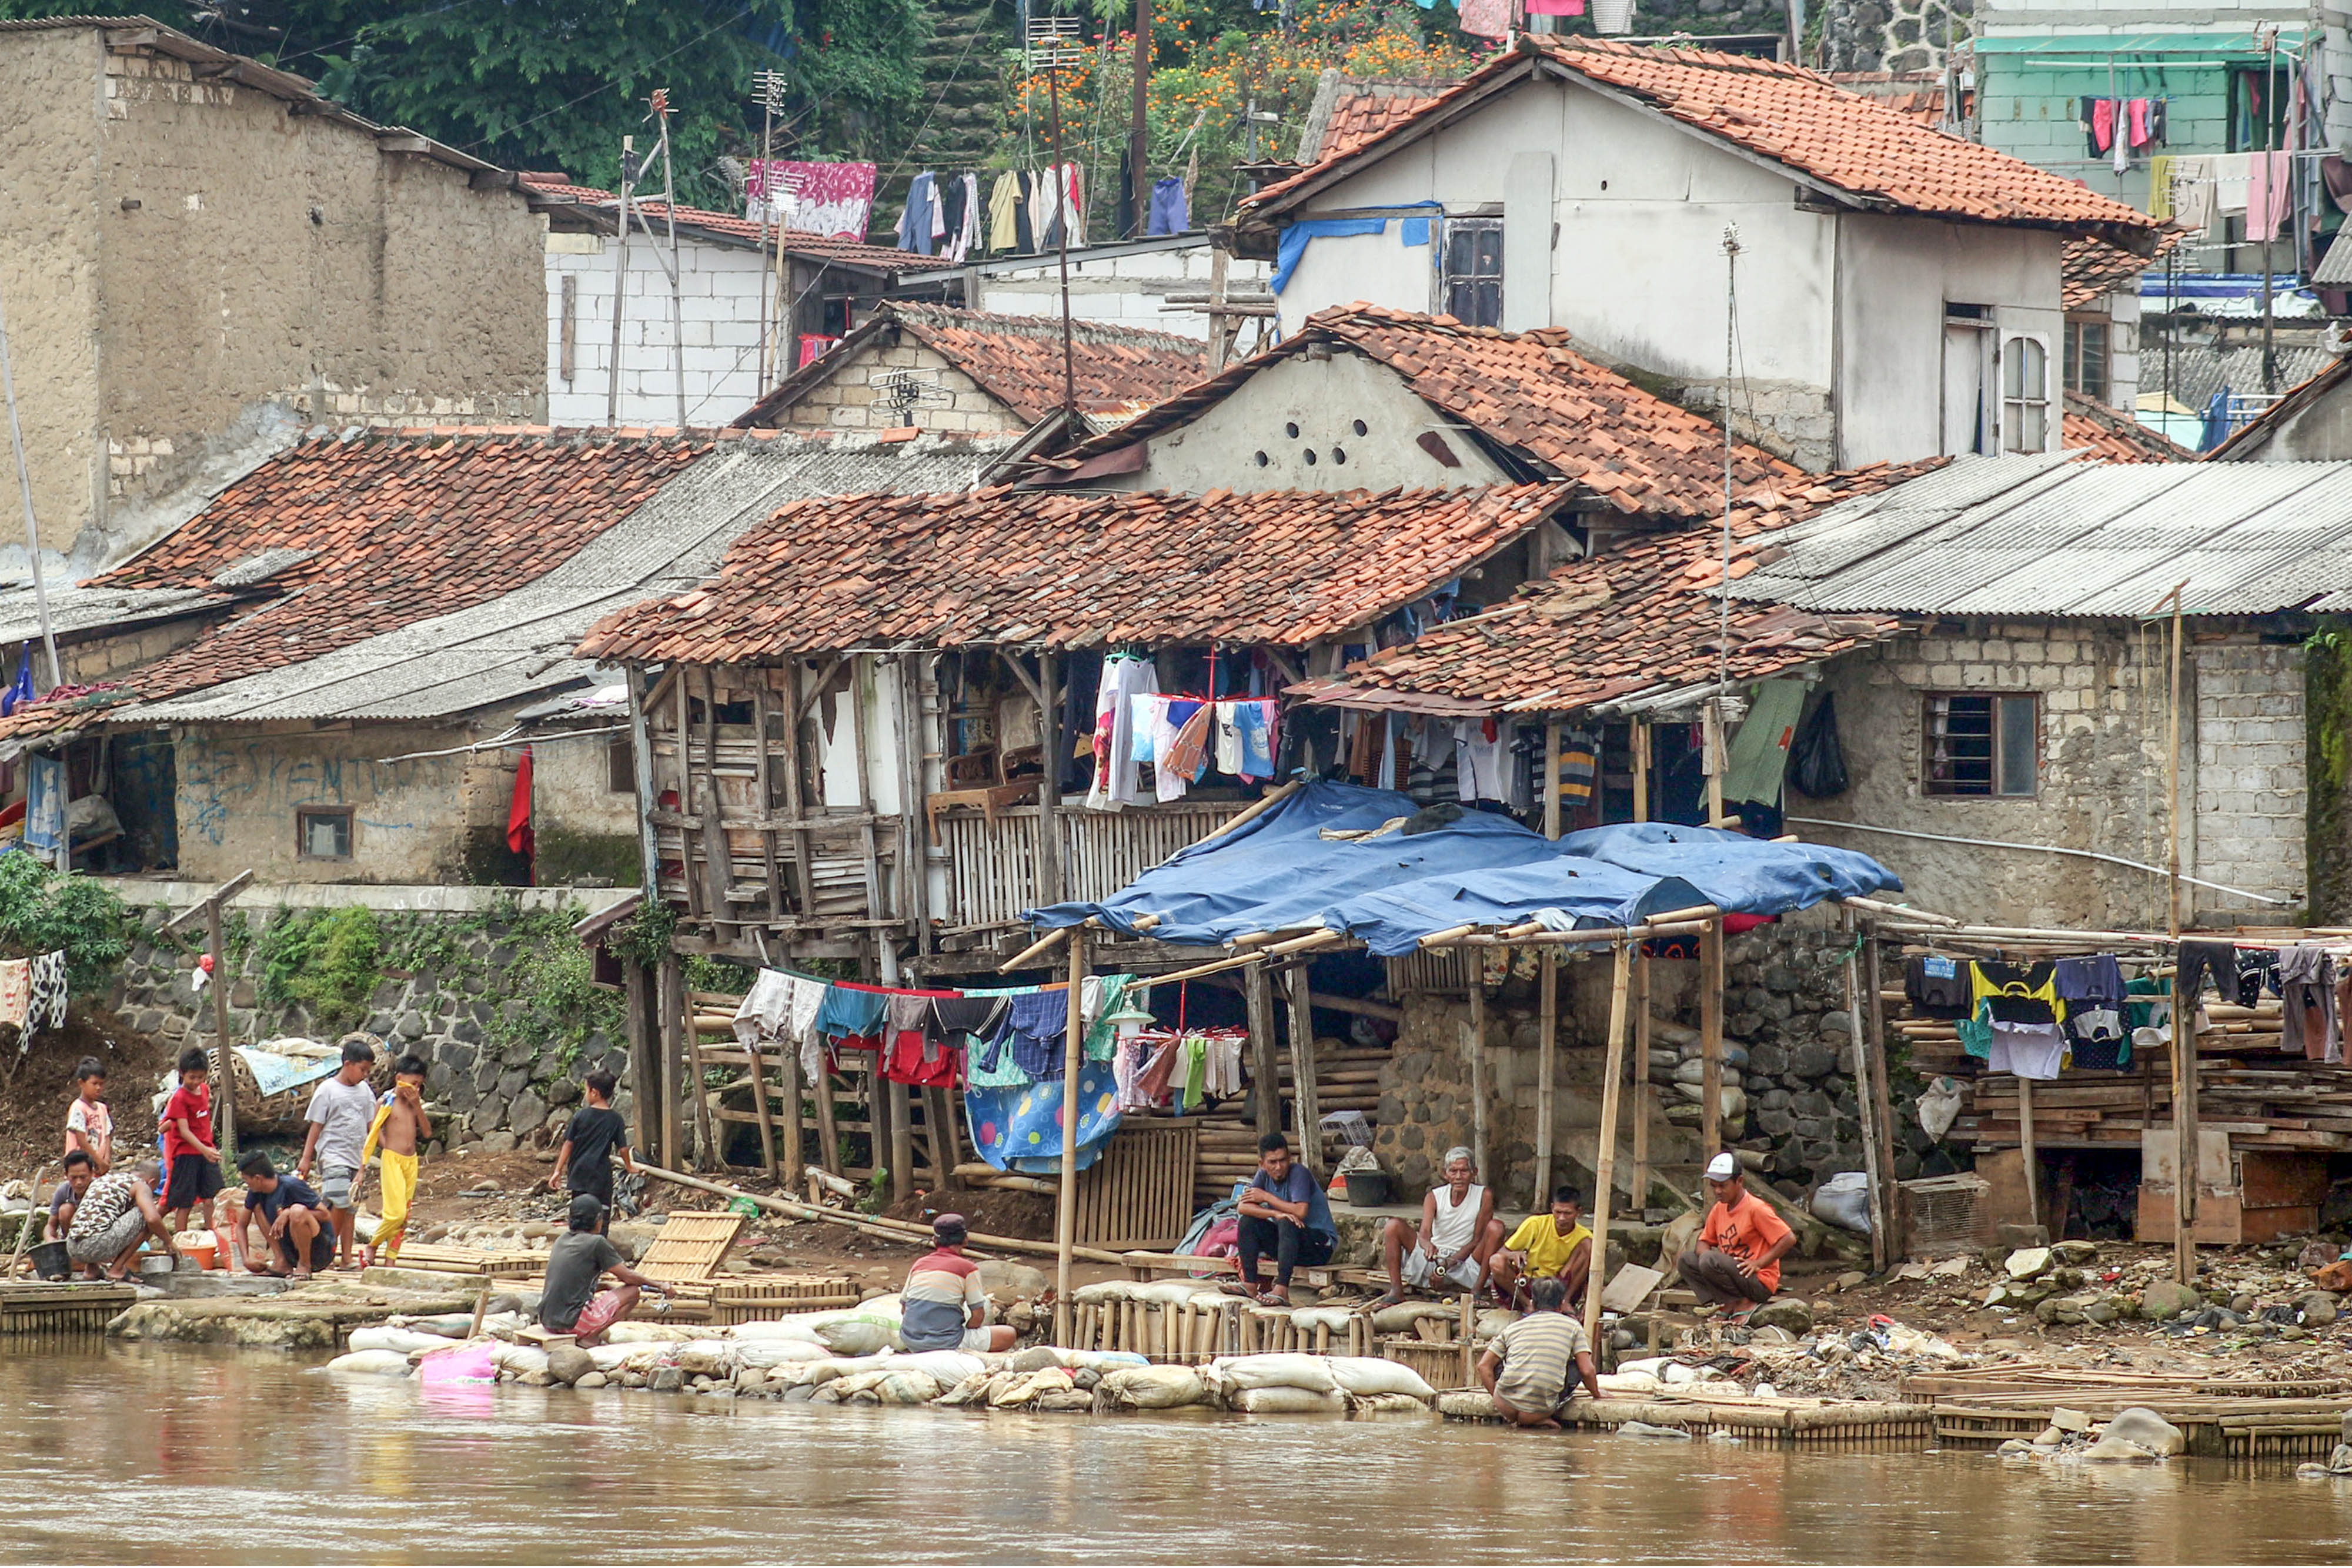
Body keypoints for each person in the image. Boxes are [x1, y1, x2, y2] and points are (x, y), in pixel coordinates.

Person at [1374, 1146, 1503, 1306]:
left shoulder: (1484, 1195)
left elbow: (1477, 1240)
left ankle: (1476, 1292)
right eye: (1453, 1171)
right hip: (1434, 1258)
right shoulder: (1434, 1196)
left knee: (1496, 1227)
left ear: (1474, 1173)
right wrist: (1428, 1245)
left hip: (1465, 1261)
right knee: (1393, 1226)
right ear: (1445, 1174)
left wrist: (1447, 1263)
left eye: (1464, 1171)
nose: (1458, 1177)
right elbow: (1425, 1233)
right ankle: (1396, 1290)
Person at [1224, 1133, 1337, 1306]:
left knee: (1288, 1222)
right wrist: (1275, 1214)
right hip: (1289, 1246)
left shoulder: (1299, 1173)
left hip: (1319, 1247)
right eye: (1272, 1162)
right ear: (1262, 1164)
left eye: (1283, 1160)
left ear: (1290, 1159)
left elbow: (1301, 1211)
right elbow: (1243, 1207)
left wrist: (1268, 1199)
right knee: (1248, 1222)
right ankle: (1250, 1284)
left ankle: (1282, 1289)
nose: (1279, 1167)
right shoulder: (1262, 1176)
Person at [1476, 1276, 1603, 1429]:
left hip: (1505, 1406)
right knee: (1576, 1366)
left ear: (1532, 1303)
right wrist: (1597, 1394)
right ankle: (1534, 1419)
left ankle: (1520, 1417)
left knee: (1499, 1362)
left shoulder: (1514, 1328)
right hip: (1540, 1410)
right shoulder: (1573, 1327)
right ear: (1562, 1305)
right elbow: (1587, 1370)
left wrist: (1497, 1398)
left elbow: (1483, 1366)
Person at [1675, 1153, 1796, 1311]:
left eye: (1723, 1186)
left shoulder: (1756, 1208)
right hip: (1733, 1275)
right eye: (1714, 1186)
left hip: (1757, 1281)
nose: (1717, 1191)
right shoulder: (1719, 1208)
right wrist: (1705, 1256)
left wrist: (1759, 1263)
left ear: (1739, 1181)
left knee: (1709, 1260)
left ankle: (1738, 1304)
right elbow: (1703, 1241)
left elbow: (1789, 1238)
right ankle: (1721, 1303)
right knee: (1686, 1260)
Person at [297, 1039, 377, 1270]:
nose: (364, 1075)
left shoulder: (365, 1092)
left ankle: (347, 1258)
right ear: (348, 1063)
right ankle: (325, 1253)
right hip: (333, 1155)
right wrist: (307, 1157)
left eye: (367, 1071)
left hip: (356, 1157)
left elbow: (371, 1125)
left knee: (350, 1209)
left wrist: (367, 1161)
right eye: (362, 1070)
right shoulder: (328, 1090)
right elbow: (316, 1127)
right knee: (339, 1202)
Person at [538, 1193, 660, 1345]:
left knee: (607, 1291)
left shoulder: (562, 1239)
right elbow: (628, 1277)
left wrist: (604, 1286)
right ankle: (590, 1337)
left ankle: (587, 1331)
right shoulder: (596, 1243)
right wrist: (661, 1286)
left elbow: (571, 1281)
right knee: (632, 1292)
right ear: (597, 1221)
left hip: (547, 1320)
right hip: (571, 1324)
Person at [900, 1213, 1017, 1352]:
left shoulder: (919, 1264)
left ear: (934, 1240)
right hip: (947, 1342)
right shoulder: (968, 1269)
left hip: (910, 1340)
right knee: (1009, 1334)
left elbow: (904, 1309)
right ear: (965, 1240)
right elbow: (978, 1315)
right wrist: (967, 1332)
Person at [356, 1055, 430, 1267]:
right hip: (392, 1160)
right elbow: (374, 1129)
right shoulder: (386, 1101)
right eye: (413, 1083)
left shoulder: (414, 1102)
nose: (416, 1088)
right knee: (395, 1214)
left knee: (404, 1216)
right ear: (399, 1078)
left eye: (419, 1085)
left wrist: (417, 1105)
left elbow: (426, 1132)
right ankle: (373, 1244)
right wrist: (386, 1145)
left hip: (411, 1161)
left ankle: (391, 1260)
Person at [547, 1069, 633, 1231]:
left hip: (580, 1173)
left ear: (595, 1092)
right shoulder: (616, 1119)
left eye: (586, 1090)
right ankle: (599, 1243)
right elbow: (623, 1149)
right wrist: (629, 1167)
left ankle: (578, 1243)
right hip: (601, 1175)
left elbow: (568, 1144)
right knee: (602, 1213)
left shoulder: (581, 1116)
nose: (586, 1095)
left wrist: (558, 1170)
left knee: (580, 1213)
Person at [64, 1159, 178, 1281]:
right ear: (152, 1182)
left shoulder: (104, 1180)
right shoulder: (141, 1185)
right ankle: (117, 1269)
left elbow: (78, 1220)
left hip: (72, 1247)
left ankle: (92, 1269)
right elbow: (152, 1219)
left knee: (103, 1217)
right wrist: (168, 1241)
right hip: (95, 1245)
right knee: (145, 1213)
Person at [159, 1047, 225, 1256]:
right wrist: (205, 1149)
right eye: (191, 1077)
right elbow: (184, 1131)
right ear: (182, 1073)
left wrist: (208, 1149)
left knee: (211, 1197)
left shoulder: (204, 1090)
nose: (196, 1082)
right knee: (184, 1202)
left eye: (200, 1077)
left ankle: (213, 1237)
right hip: (187, 1153)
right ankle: (181, 1244)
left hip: (206, 1150)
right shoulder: (179, 1098)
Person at [1490, 1185, 1595, 1311]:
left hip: (1557, 1285)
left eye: (1567, 1213)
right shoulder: (1535, 1224)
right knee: (1496, 1261)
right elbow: (1502, 1252)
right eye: (1558, 1212)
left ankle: (1564, 1302)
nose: (1562, 1218)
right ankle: (1527, 1304)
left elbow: (1587, 1275)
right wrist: (1513, 1255)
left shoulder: (1584, 1235)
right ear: (1552, 1208)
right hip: (1529, 1283)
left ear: (1578, 1212)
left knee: (1589, 1246)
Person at [236, 1151, 334, 1281]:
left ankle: (304, 1265)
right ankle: (281, 1261)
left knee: (297, 1211)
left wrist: (288, 1213)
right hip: (290, 1249)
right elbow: (241, 1226)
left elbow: (326, 1215)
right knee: (257, 1207)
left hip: (319, 1249)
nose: (246, 1183)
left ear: (258, 1178)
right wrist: (246, 1260)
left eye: (246, 1179)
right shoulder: (256, 1193)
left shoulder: (291, 1186)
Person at [64, 1058, 112, 1174]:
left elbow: (107, 1136)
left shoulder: (102, 1108)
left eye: (101, 1084)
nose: (98, 1088)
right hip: (79, 1167)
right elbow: (81, 1140)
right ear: (81, 1083)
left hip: (98, 1167)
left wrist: (106, 1161)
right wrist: (99, 1162)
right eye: (94, 1084)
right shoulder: (78, 1108)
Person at [45, 1149, 95, 1248]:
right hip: (71, 1236)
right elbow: (51, 1225)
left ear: (92, 1173)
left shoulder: (99, 1189)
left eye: (83, 1177)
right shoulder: (63, 1191)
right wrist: (50, 1239)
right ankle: (72, 1246)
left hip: (95, 1236)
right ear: (66, 1175)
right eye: (74, 1178)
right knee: (65, 1210)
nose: (79, 1182)